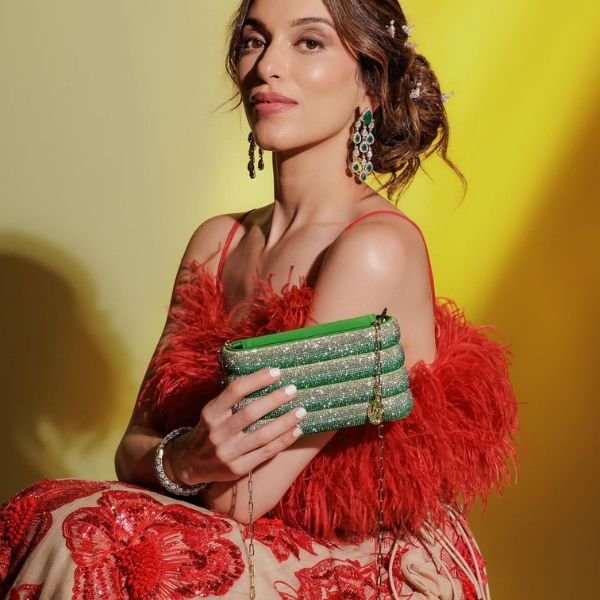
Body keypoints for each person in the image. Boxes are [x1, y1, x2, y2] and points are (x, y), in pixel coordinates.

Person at [0, 0, 519, 598]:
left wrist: (186, 461)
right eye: (254, 40)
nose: (268, 66)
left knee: (78, 531)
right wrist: (190, 458)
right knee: (48, 511)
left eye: (309, 42)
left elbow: (240, 496)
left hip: (369, 564)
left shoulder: (374, 250)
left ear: (370, 86)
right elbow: (132, 447)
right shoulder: (217, 242)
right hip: (234, 540)